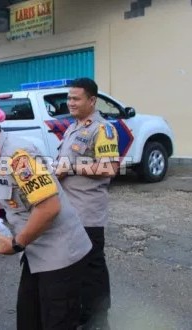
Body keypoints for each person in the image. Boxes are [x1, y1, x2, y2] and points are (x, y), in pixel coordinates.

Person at [0, 99, 92, 329]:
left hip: (60, 258)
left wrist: (16, 244)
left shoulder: (18, 156)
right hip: (37, 255)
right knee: (29, 320)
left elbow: (48, 208)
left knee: (56, 323)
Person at [55, 78, 119, 329]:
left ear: (92, 101)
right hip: (70, 210)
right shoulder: (74, 127)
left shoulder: (102, 129)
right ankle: (84, 315)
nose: (70, 102)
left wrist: (70, 166)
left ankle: (99, 320)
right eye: (69, 98)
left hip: (88, 212)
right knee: (76, 267)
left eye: (76, 98)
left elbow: (110, 167)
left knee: (92, 268)